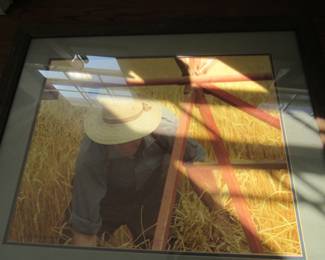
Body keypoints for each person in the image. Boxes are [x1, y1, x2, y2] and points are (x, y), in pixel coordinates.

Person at [69, 95, 206, 248]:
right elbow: (84, 230)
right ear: (109, 135)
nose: (132, 141)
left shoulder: (165, 128)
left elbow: (195, 162)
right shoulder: (91, 153)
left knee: (162, 247)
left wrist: (220, 216)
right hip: (107, 199)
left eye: (136, 133)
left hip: (152, 197)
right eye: (123, 137)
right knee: (67, 244)